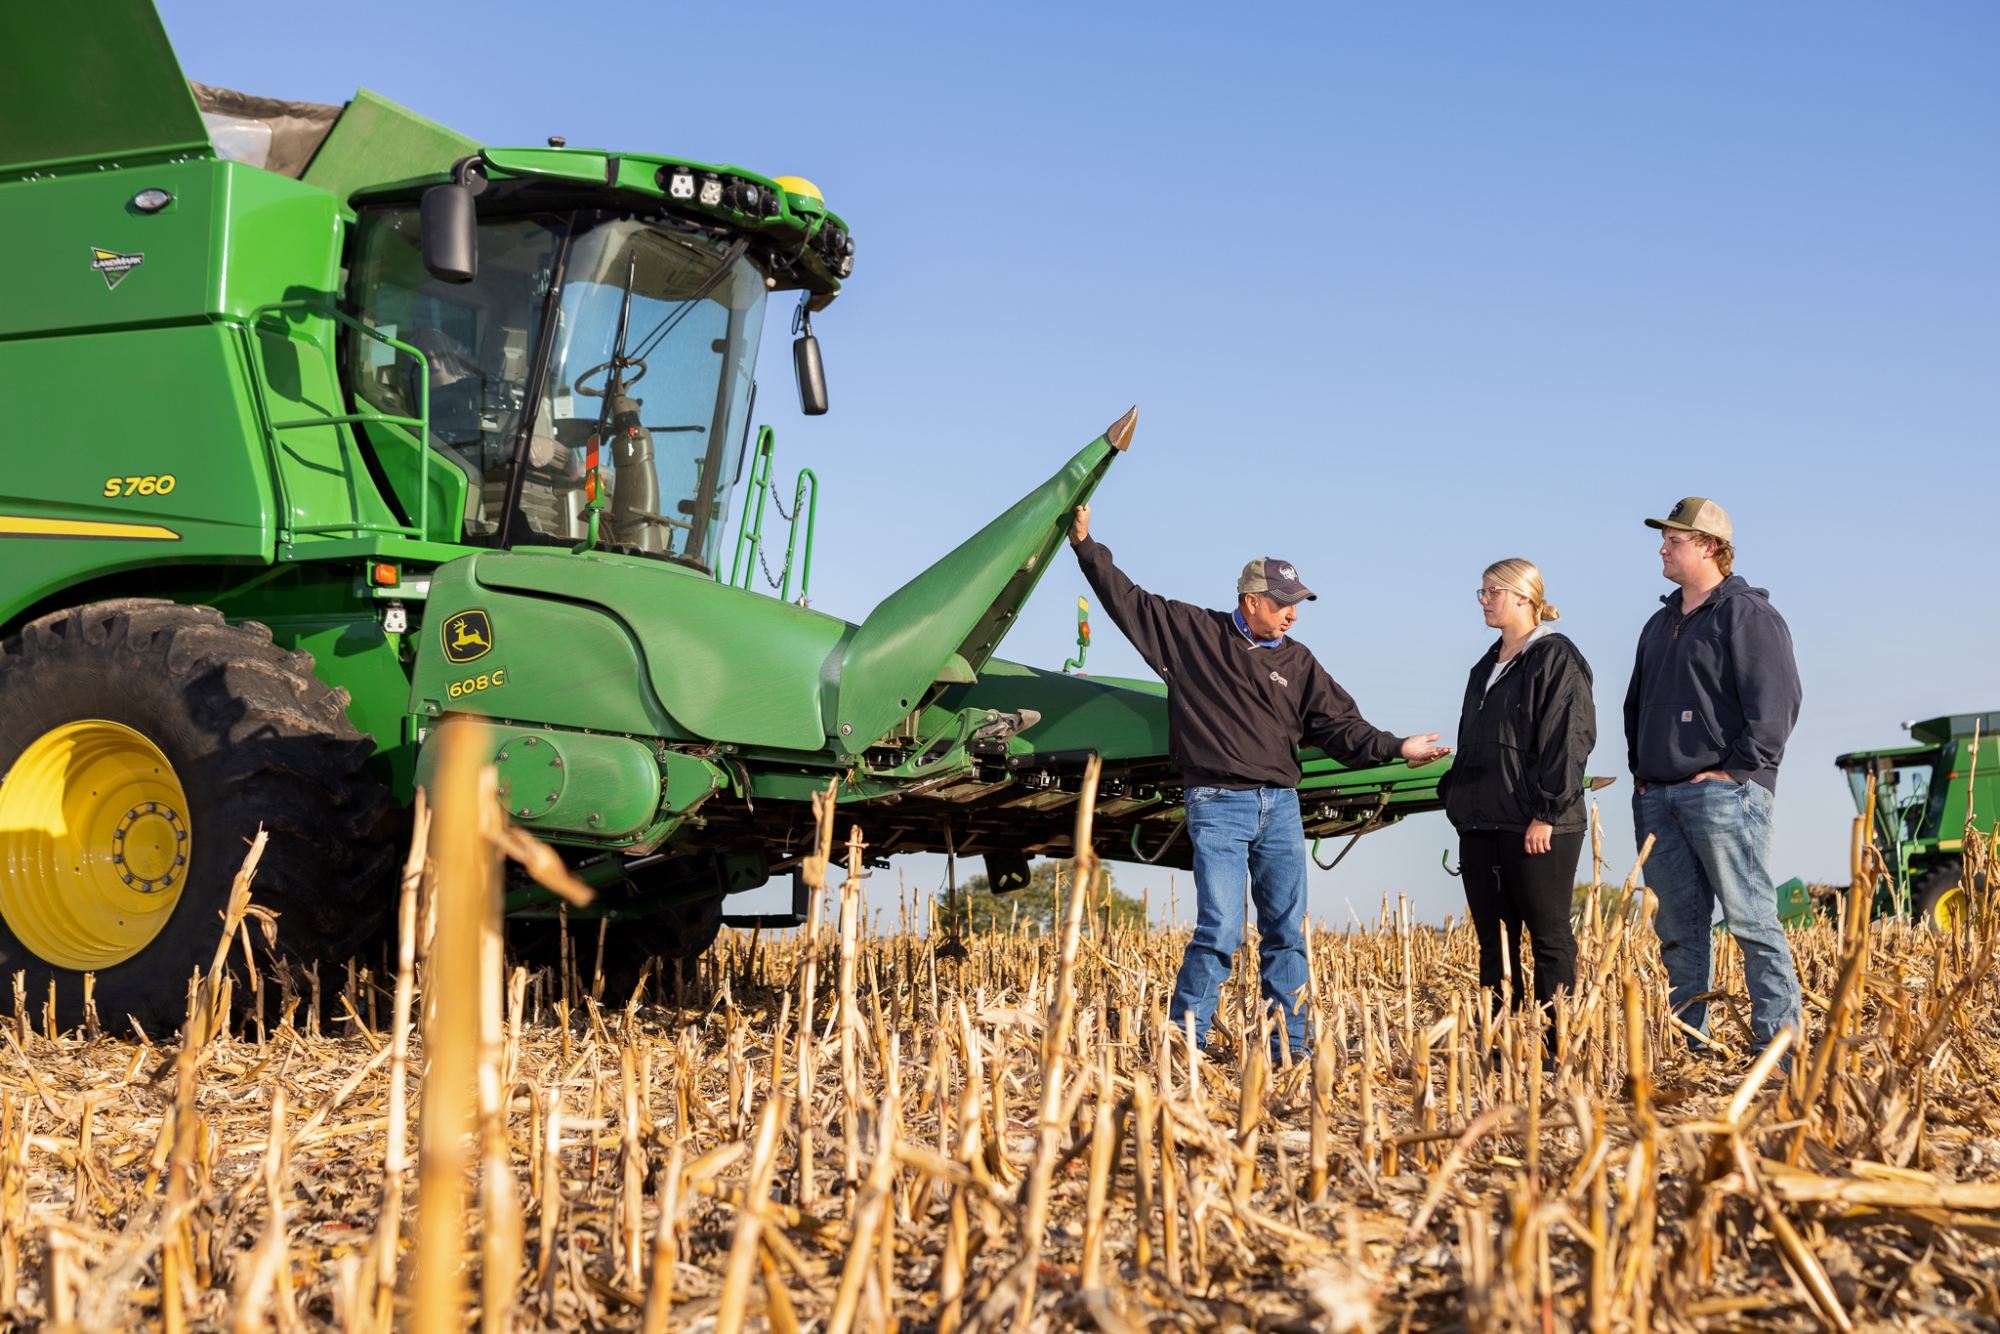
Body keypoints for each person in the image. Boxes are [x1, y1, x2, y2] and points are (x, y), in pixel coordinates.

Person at [1069, 503, 1451, 1058]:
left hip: (1281, 808)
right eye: (1284, 605)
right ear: (1251, 602)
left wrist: (1397, 747)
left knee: (1286, 934)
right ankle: (1184, 1045)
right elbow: (1126, 599)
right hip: (1217, 803)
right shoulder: (1191, 635)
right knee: (1221, 929)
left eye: (1298, 605)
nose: (1293, 616)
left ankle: (1290, 1051)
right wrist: (1086, 546)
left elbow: (1344, 729)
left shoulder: (1300, 664)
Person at [1624, 497, 1803, 1057]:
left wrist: (1736, 770)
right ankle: (1689, 1042)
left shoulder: (1747, 614)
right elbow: (1636, 705)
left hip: (1724, 795)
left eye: (1674, 539)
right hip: (1658, 796)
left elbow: (1777, 702)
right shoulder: (1658, 623)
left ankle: (1779, 1045)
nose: (1662, 547)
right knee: (1678, 931)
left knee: (1751, 921)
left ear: (1709, 547)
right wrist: (1641, 775)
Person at [1442, 559, 1595, 1037]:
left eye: (1494, 591)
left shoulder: (1556, 657)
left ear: (1525, 598)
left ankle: (1557, 1046)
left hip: (1537, 824)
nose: (1484, 600)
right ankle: (1500, 1043)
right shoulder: (1482, 667)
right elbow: (1475, 740)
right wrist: (1456, 795)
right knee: (1496, 942)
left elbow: (1569, 738)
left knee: (1549, 939)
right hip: (1482, 824)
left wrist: (1547, 813)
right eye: (1482, 592)